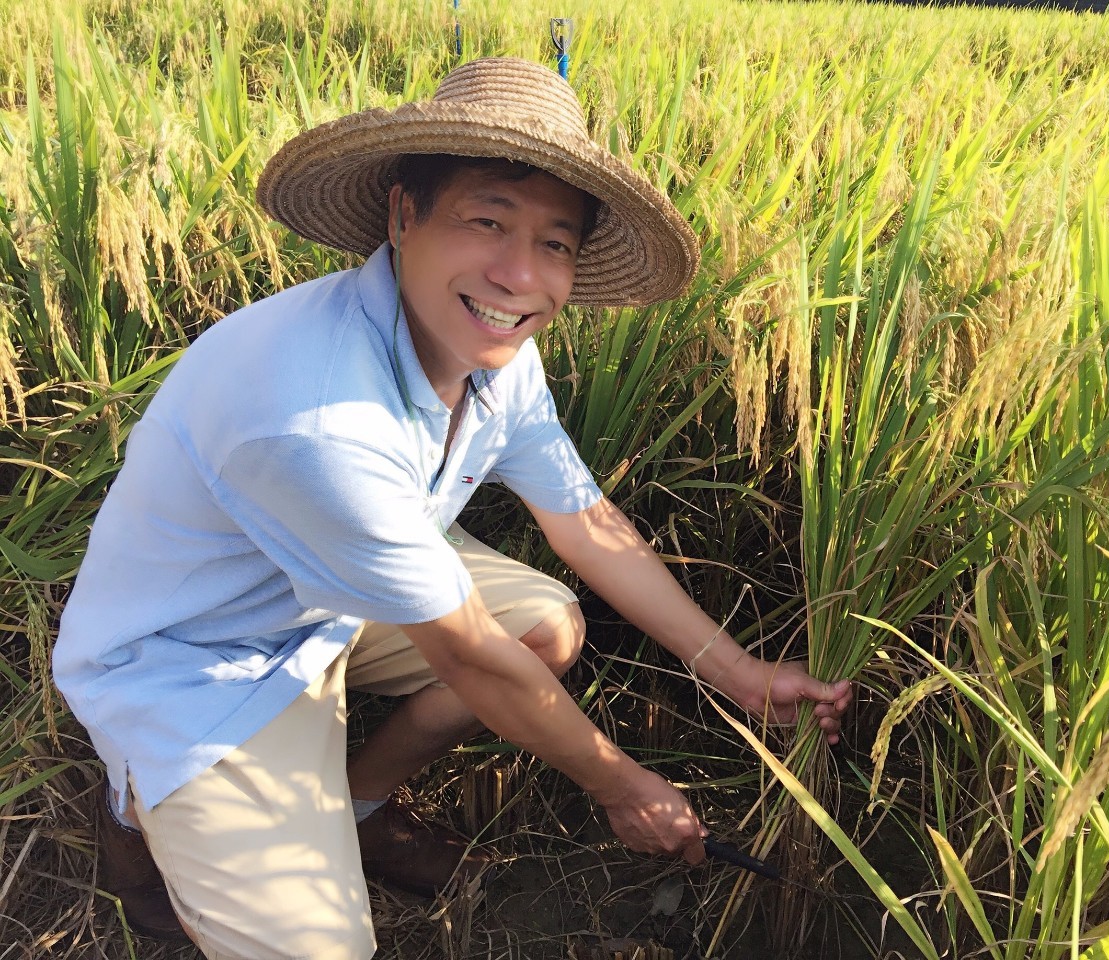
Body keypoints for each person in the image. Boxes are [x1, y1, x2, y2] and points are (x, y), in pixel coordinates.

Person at [52, 56, 852, 960]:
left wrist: (739, 671)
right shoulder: (316, 418)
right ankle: (135, 797)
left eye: (555, 242)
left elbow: (583, 521)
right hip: (196, 662)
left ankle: (352, 800)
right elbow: (472, 655)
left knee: (546, 626)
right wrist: (623, 786)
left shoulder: (489, 345)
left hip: (324, 599)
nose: (519, 274)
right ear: (403, 214)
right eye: (487, 220)